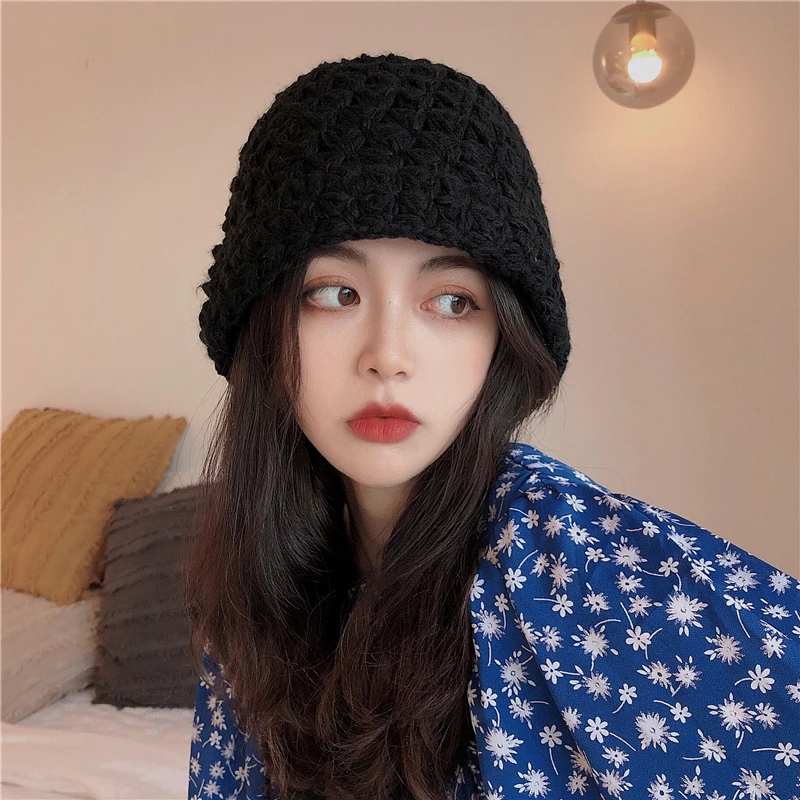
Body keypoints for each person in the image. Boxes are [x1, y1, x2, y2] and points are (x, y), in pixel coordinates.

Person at [184, 53, 800, 800]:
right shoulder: (254, 583)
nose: (388, 356)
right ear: (262, 325)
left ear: (504, 338)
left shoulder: (566, 562)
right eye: (335, 293)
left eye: (451, 302)